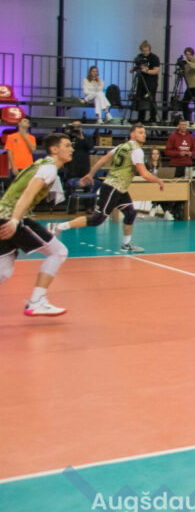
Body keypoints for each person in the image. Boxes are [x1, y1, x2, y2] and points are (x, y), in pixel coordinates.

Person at [0, 132, 75, 316]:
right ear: (54, 149)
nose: (71, 149)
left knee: (4, 271)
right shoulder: (49, 168)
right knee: (58, 252)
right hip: (11, 217)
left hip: (4, 215)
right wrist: (15, 220)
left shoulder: (40, 164)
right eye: (67, 145)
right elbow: (28, 193)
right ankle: (37, 301)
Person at [67, 123, 165, 253]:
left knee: (130, 213)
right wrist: (158, 180)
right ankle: (60, 227)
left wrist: (91, 174)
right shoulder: (137, 151)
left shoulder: (120, 147)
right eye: (140, 132)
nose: (144, 135)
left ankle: (126, 244)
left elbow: (102, 160)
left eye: (144, 132)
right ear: (132, 134)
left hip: (119, 189)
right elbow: (144, 174)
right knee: (97, 219)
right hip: (114, 187)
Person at [132, 40, 160, 124]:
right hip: (141, 81)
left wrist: (146, 71)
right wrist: (134, 69)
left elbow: (156, 70)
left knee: (151, 99)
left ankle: (153, 118)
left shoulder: (154, 58)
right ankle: (141, 118)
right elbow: (137, 65)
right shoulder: (139, 57)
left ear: (149, 50)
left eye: (146, 50)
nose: (145, 52)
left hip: (151, 82)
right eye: (143, 51)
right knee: (140, 99)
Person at [180, 47, 195, 125]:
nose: (187, 56)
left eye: (189, 55)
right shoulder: (186, 64)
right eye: (186, 55)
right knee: (184, 102)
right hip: (190, 87)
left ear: (192, 55)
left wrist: (188, 63)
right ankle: (187, 120)